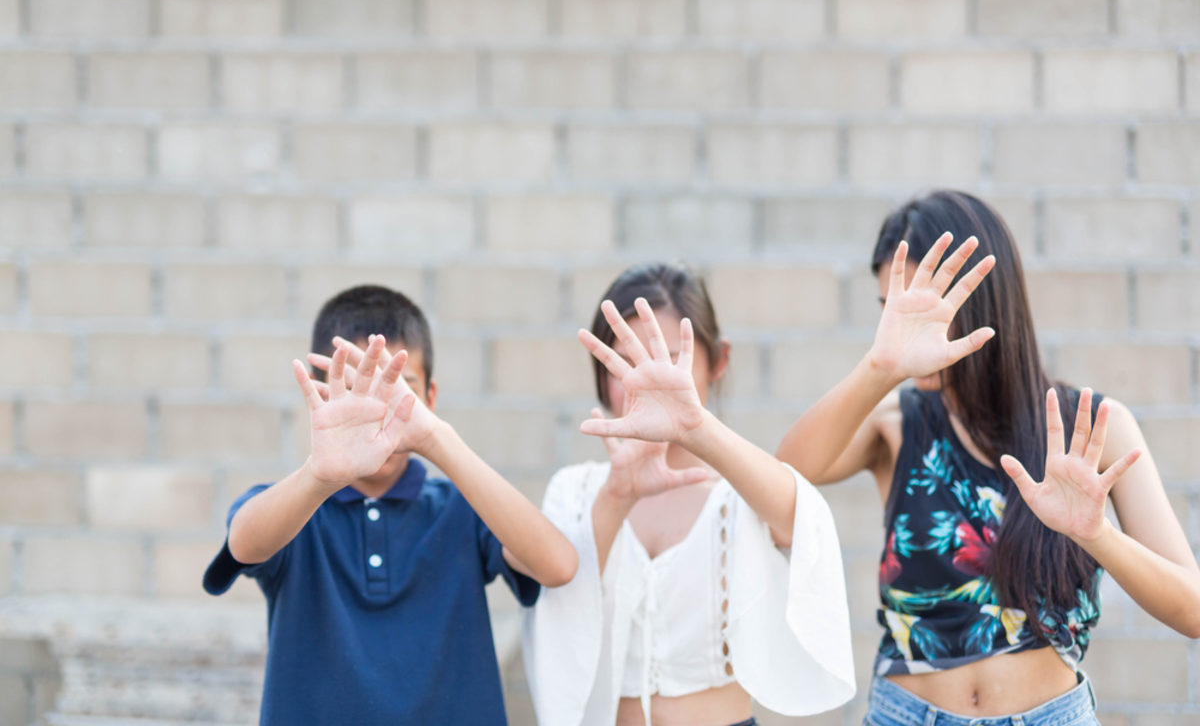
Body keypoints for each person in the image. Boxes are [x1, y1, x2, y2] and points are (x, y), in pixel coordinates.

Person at [777, 190, 1200, 726]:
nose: (903, 328)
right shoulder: (895, 423)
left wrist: (1098, 536)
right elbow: (785, 474)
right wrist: (879, 367)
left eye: (921, 307)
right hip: (907, 715)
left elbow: (1192, 609)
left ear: (978, 295)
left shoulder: (1095, 426)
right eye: (890, 313)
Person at [522, 250, 992, 726]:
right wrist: (616, 496)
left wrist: (693, 427)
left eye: (666, 359)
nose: (644, 380)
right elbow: (558, 591)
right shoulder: (576, 490)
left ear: (718, 360)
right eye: (623, 364)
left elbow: (798, 513)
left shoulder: (740, 490)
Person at [202, 285, 577, 725]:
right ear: (323, 395)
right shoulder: (295, 507)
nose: (378, 412)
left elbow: (558, 565)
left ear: (431, 399)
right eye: (357, 389)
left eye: (400, 391)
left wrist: (436, 438)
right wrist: (319, 476)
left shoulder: (464, 508)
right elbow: (244, 543)